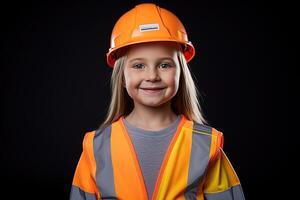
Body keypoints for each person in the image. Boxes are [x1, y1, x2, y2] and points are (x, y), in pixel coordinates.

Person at [70, 3, 245, 200]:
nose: (152, 76)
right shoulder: (97, 147)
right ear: (121, 77)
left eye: (164, 64)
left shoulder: (205, 145)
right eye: (138, 65)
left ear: (181, 72)